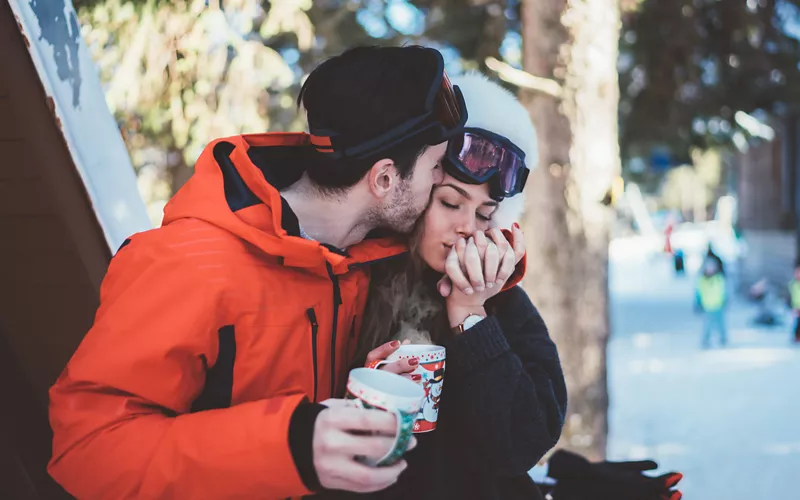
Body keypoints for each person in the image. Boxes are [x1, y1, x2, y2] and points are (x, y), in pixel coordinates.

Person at [47, 46, 471, 499]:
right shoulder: (187, 263)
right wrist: (290, 445)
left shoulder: (351, 262)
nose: (443, 180)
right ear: (384, 178)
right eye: (435, 166)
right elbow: (88, 450)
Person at [318, 73, 566, 500]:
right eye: (450, 202)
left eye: (486, 213)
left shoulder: (505, 306)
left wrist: (472, 317)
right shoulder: (351, 287)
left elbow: (522, 444)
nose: (466, 228)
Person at [695, 258, 728, 348]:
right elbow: (698, 293)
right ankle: (706, 339)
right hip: (707, 306)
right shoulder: (702, 280)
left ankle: (723, 338)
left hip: (718, 305)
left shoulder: (719, 279)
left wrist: (725, 300)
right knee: (707, 325)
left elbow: (724, 291)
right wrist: (697, 303)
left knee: (720, 324)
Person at [788, 263, 800, 343]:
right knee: (797, 322)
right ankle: (796, 337)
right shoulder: (793, 284)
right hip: (796, 306)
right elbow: (790, 296)